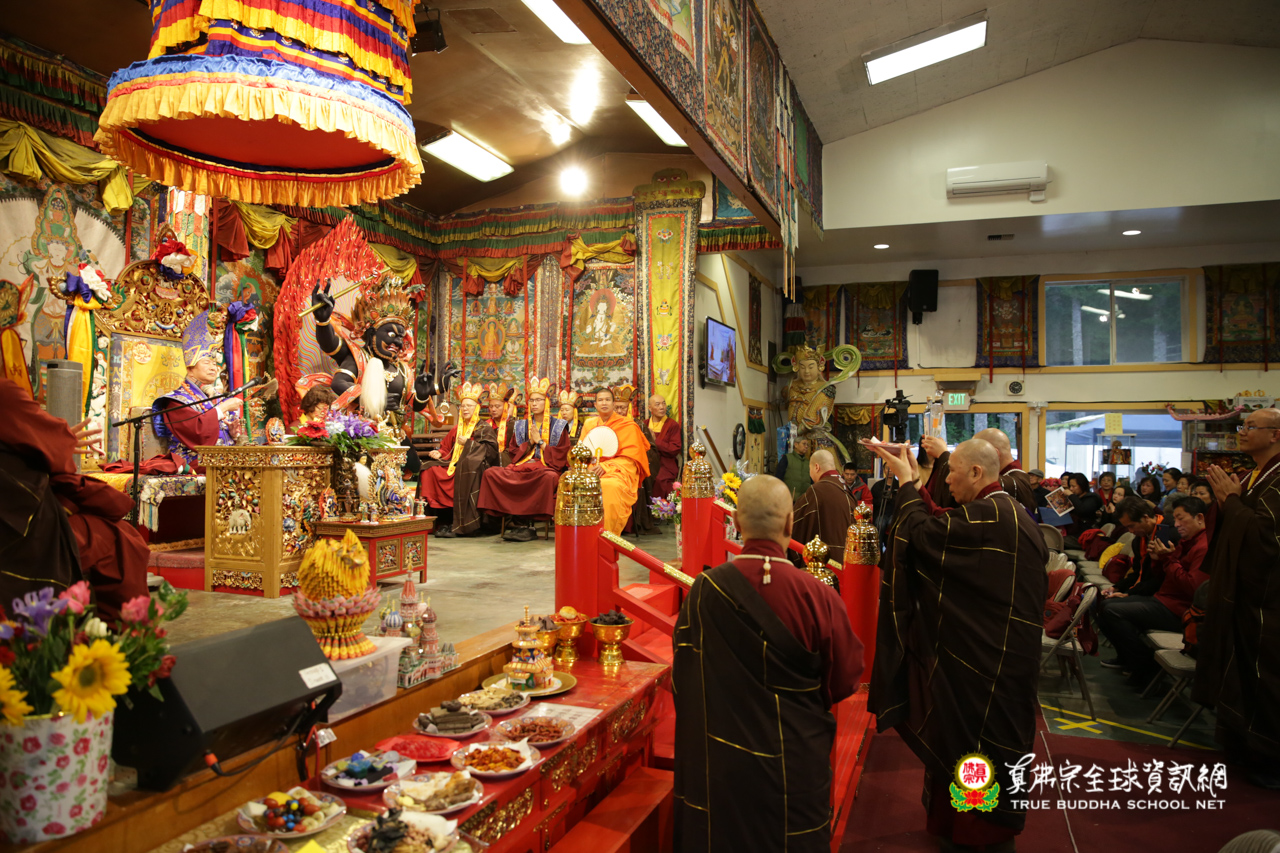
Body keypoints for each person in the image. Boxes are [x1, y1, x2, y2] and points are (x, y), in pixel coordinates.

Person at [867, 439, 1047, 852]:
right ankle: (961, 824)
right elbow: (942, 522)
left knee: (979, 742)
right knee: (968, 741)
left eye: (951, 472)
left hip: (989, 664)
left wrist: (908, 485)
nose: (946, 480)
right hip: (998, 655)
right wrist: (913, 481)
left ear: (976, 472)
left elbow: (926, 535)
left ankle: (980, 834)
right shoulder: (1002, 512)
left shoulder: (992, 516)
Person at [672, 474, 862, 852]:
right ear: (790, 523)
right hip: (794, 765)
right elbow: (846, 679)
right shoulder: (818, 595)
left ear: (736, 523)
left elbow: (684, 677)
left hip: (722, 765)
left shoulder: (704, 591)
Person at [0, 378, 148, 623]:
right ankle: (117, 637)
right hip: (17, 529)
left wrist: (58, 440)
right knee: (119, 538)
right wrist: (62, 441)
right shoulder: (4, 393)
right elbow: (57, 453)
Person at [1196, 408, 1280, 788]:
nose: (1241, 432)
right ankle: (1241, 745)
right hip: (1242, 595)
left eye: (1250, 426)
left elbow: (1267, 539)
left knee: (1265, 677)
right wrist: (1226, 502)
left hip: (1269, 601)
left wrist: (1232, 502)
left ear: (1275, 434)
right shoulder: (1252, 475)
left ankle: (1270, 756)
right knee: (1239, 670)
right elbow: (1233, 522)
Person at [1097, 496, 1207, 682]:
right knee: (1104, 604)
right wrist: (1160, 559)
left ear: (1200, 518)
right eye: (1175, 519)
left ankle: (1147, 670)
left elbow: (1192, 588)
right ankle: (1132, 661)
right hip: (1164, 598)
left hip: (1178, 609)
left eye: (1181, 518)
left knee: (1113, 611)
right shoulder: (1187, 541)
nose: (1176, 524)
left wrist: (1167, 559)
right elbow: (1158, 574)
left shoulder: (1202, 546)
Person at [477, 377, 569, 542]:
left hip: (545, 469)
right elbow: (513, 452)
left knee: (549, 478)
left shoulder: (559, 426)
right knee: (491, 473)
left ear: (547, 402)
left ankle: (529, 523)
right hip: (522, 467)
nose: (534, 404)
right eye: (531, 400)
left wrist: (540, 442)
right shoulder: (521, 425)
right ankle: (514, 522)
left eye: (538, 400)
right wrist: (529, 443)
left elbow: (562, 455)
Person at [152, 308, 243, 472]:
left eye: (215, 364)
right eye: (207, 362)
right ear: (190, 368)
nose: (214, 368)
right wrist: (222, 408)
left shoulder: (218, 397)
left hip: (222, 461)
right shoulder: (177, 401)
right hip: (193, 463)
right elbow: (198, 434)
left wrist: (232, 433)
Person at [418, 382, 499, 537]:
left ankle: (463, 522)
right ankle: (439, 519)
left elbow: (490, 452)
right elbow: (446, 447)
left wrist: (468, 443)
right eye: (463, 406)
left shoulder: (484, 428)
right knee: (429, 468)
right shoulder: (457, 428)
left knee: (467, 467)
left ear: (477, 408)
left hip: (472, 466)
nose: (465, 409)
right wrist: (439, 453)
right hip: (453, 463)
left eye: (469, 406)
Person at [578, 386, 651, 536]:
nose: (604, 403)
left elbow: (632, 459)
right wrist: (587, 467)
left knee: (608, 486)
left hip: (617, 472)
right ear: (595, 404)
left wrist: (606, 467)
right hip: (591, 470)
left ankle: (607, 536)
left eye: (607, 400)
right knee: (570, 483)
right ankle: (581, 535)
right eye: (600, 400)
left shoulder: (627, 425)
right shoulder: (589, 424)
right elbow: (581, 452)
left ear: (613, 404)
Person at [791, 449, 857, 565]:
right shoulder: (845, 488)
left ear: (816, 467)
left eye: (810, 469)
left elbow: (795, 522)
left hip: (823, 562)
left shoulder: (816, 491)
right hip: (846, 560)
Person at [974, 427, 1037, 514]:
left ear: (994, 453)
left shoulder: (1009, 483)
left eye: (976, 454)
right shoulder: (1017, 477)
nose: (973, 460)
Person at [643, 394, 682, 499]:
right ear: (650, 408)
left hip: (665, 464)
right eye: (657, 404)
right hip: (647, 462)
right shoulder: (644, 424)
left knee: (659, 480)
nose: (662, 407)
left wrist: (655, 441)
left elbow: (675, 448)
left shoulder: (672, 425)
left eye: (663, 404)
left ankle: (660, 508)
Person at [1064, 472, 1102, 539]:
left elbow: (1082, 510)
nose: (1071, 489)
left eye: (1073, 486)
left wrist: (1071, 495)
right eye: (1070, 486)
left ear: (1082, 485)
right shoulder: (1076, 498)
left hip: (1085, 535)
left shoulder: (1092, 497)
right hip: (1071, 531)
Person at [776, 436, 812, 501]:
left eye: (807, 445)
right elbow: (778, 477)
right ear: (796, 445)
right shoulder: (787, 458)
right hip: (789, 499)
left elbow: (812, 481)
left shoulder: (808, 462)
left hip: (804, 500)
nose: (806, 446)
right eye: (804, 444)